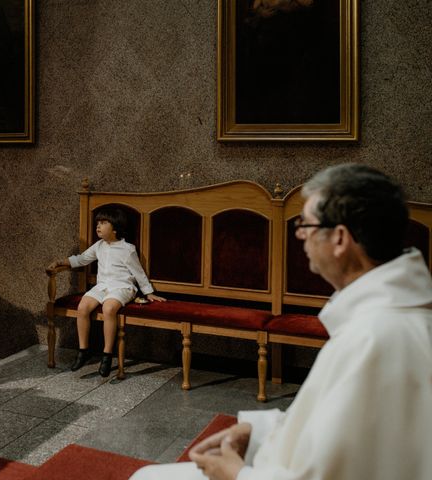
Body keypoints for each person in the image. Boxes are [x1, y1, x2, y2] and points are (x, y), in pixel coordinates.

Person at [130, 163, 432, 480]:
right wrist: (256, 432)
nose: (300, 236)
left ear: (340, 239)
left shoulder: (377, 337)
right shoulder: (387, 320)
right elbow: (335, 429)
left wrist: (235, 475)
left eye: (307, 226)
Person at [48, 208, 166, 377]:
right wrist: (60, 262)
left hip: (122, 287)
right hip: (102, 286)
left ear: (115, 228)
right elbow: (81, 259)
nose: (98, 226)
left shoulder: (127, 249)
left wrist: (148, 292)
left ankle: (107, 355)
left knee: (109, 308)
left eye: (103, 223)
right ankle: (83, 350)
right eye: (97, 223)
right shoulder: (99, 246)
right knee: (82, 308)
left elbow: (138, 272)